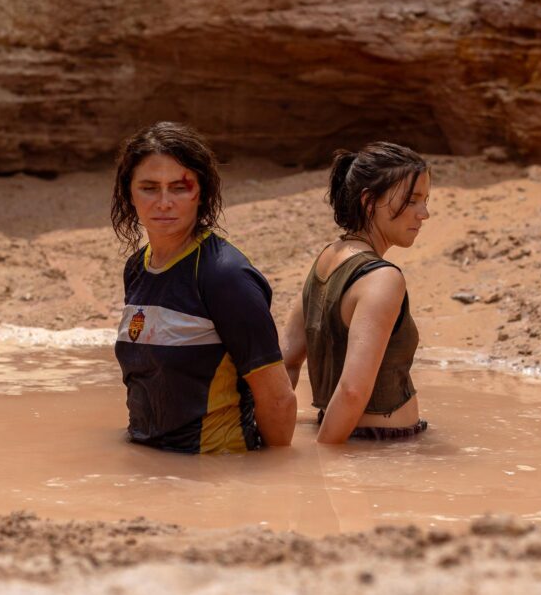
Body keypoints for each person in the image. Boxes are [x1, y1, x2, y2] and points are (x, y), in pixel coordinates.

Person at [110, 121, 297, 454]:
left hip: (215, 469)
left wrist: (273, 478)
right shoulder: (137, 267)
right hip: (148, 468)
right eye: (149, 188)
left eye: (179, 188)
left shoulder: (224, 275)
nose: (163, 202)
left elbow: (278, 398)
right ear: (129, 194)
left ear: (202, 194)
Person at [282, 142, 430, 444]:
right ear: (369, 202)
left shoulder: (326, 259)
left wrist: (274, 443)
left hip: (342, 434)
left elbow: (287, 360)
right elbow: (352, 391)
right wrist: (325, 458)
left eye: (425, 200)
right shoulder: (382, 279)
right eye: (412, 200)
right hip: (382, 447)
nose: (424, 213)